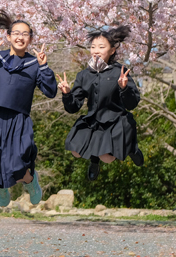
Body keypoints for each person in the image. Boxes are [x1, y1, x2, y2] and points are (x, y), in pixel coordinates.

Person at [0, 10, 57, 208]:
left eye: (25, 34)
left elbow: (50, 91)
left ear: (31, 39)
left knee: (18, 163)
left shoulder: (34, 63)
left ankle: (30, 181)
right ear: (8, 37)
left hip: (19, 119)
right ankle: (3, 186)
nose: (20, 37)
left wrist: (44, 67)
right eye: (16, 33)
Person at [58, 26, 143, 181]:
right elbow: (73, 107)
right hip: (94, 120)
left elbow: (132, 104)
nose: (96, 51)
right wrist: (67, 94)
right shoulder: (84, 75)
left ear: (112, 50)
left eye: (101, 47)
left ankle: (131, 148)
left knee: (107, 158)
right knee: (75, 151)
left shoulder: (120, 72)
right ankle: (94, 160)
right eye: (93, 47)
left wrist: (124, 88)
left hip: (116, 121)